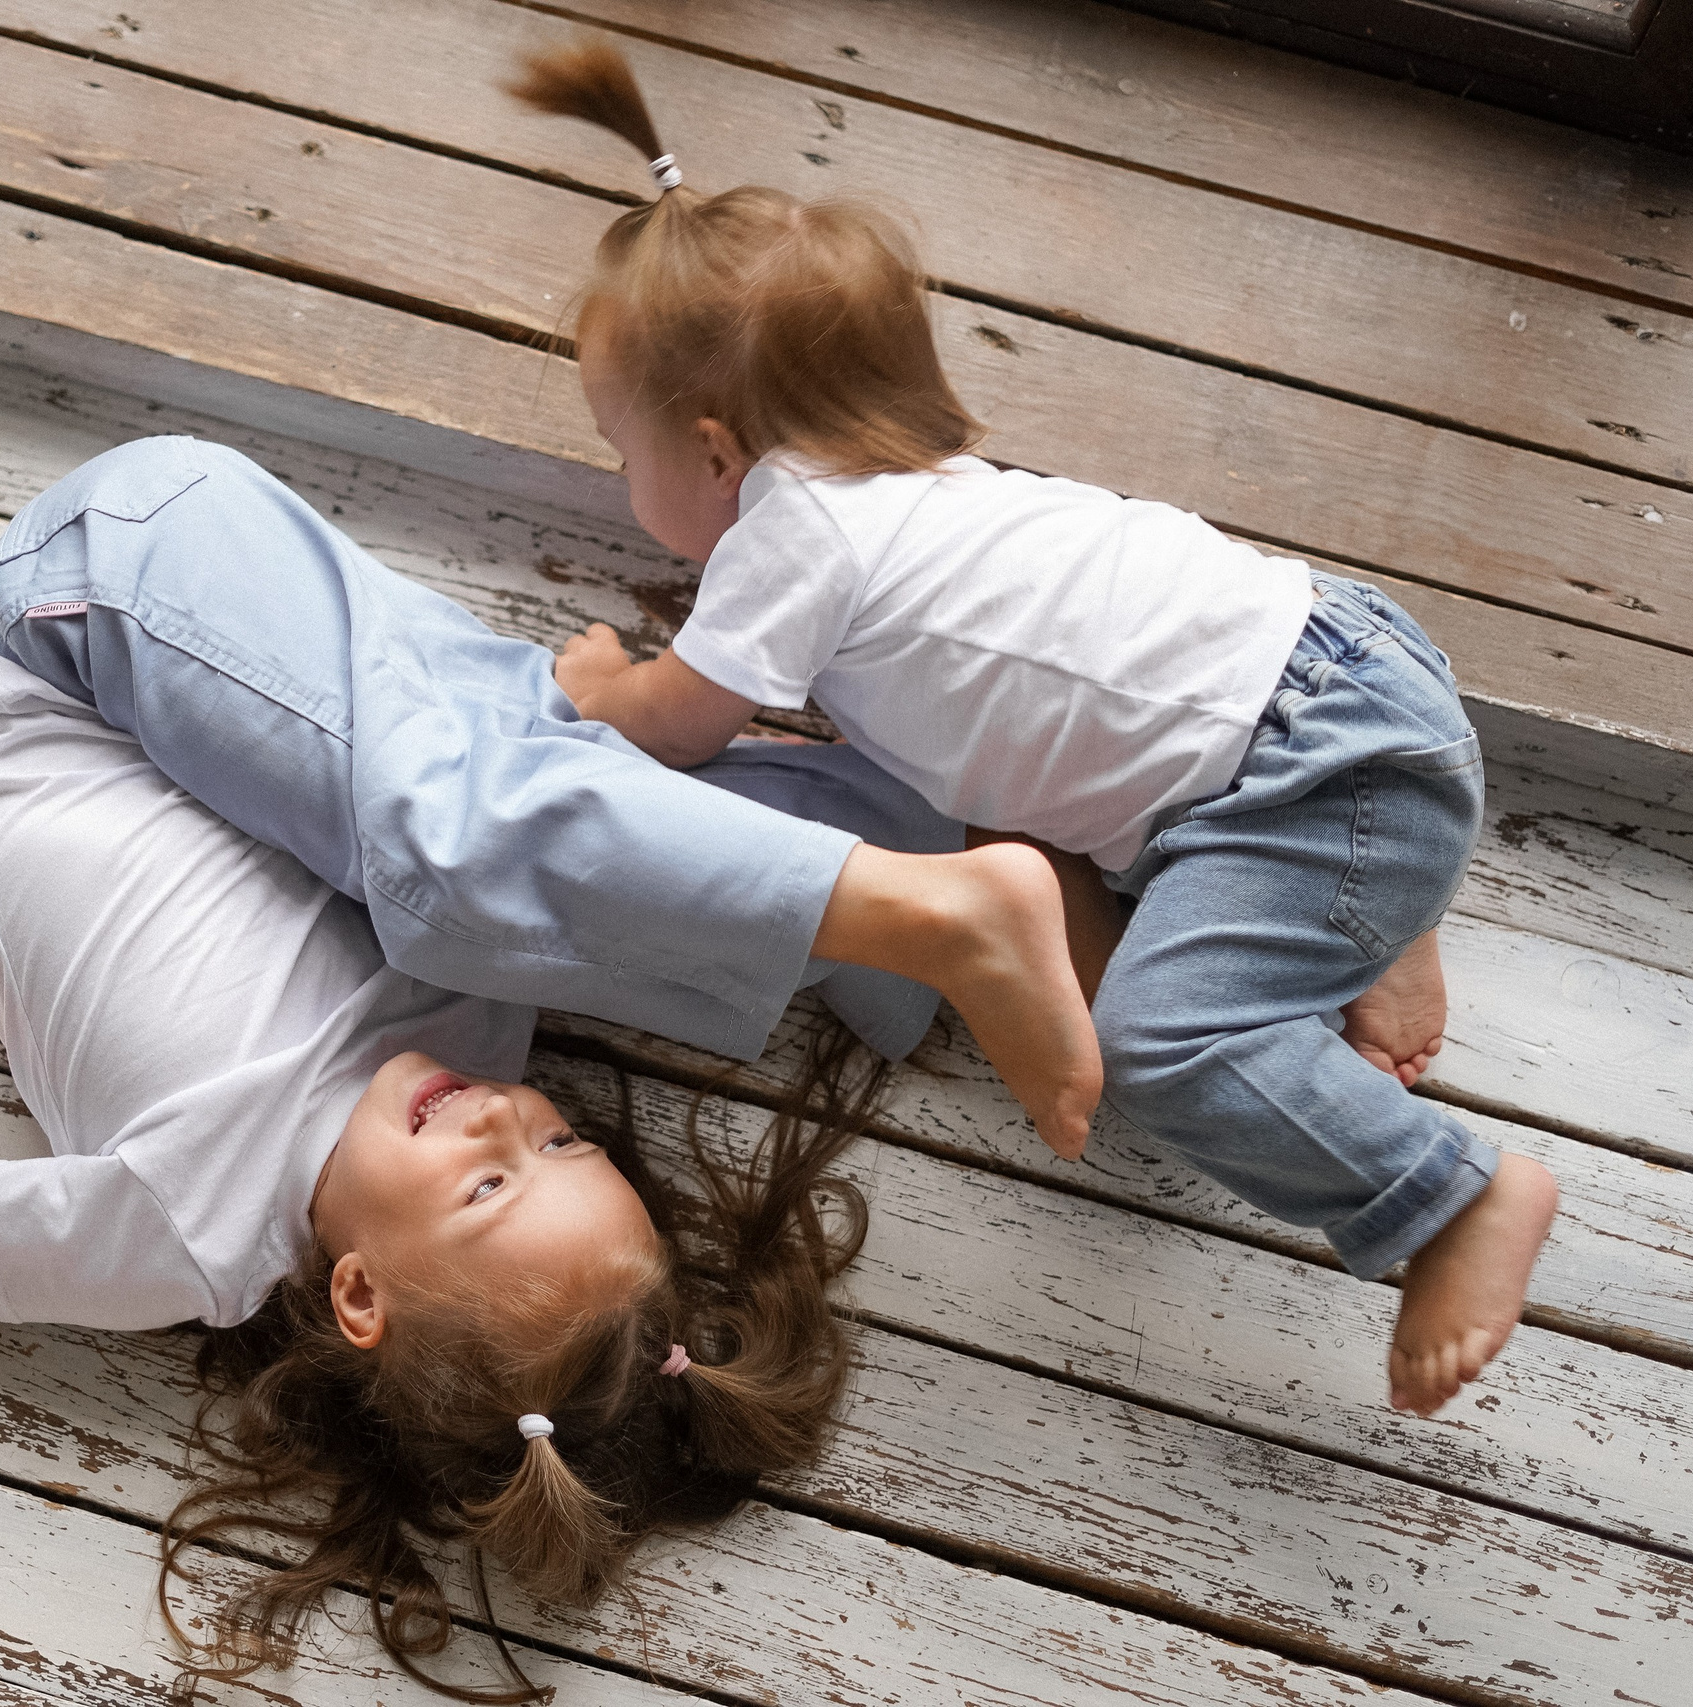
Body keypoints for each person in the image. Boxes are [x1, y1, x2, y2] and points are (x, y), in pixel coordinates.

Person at [0, 436, 1107, 1702]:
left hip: (89, 628)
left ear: (361, 1296)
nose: (515, 1112)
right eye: (567, 1146)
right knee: (515, 902)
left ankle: (919, 893)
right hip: (262, 653)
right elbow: (532, 867)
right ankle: (942, 915)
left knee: (466, 881)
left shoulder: (186, 1234)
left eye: (489, 1179)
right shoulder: (469, 1045)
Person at [510, 42, 1560, 1420]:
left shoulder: (792, 528)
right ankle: (1371, 914)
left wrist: (603, 686)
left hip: (1307, 770)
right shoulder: (919, 492)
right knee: (1049, 812)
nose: (620, 476)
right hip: (1334, 686)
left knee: (1161, 1040)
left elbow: (684, 728)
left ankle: (1451, 1194)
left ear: (715, 452)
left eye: (620, 449)